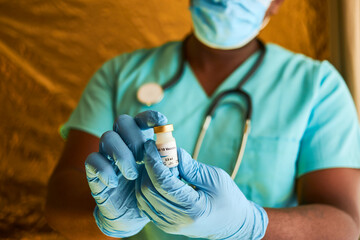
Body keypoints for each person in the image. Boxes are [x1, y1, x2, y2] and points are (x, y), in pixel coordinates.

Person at [45, 0, 360, 239]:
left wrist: (249, 224)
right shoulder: (119, 76)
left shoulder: (317, 87)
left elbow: (345, 226)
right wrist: (110, 215)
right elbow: (60, 200)